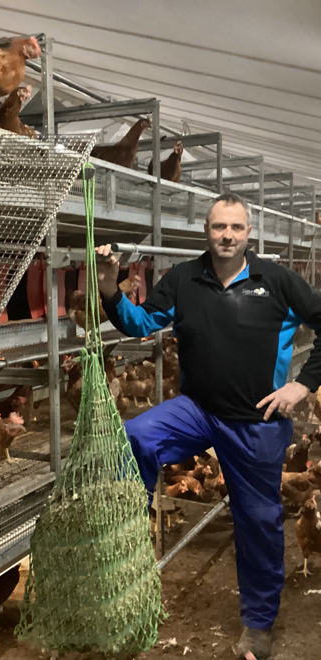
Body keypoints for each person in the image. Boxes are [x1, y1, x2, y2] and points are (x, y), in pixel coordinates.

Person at [96, 192, 321, 660]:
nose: (227, 235)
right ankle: (128, 531)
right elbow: (141, 323)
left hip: (255, 422)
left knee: (258, 521)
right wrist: (108, 288)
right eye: (220, 227)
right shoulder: (183, 278)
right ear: (207, 230)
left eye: (236, 228)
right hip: (197, 409)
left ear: (248, 233)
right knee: (135, 435)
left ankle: (258, 622)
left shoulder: (277, 281)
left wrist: (303, 385)